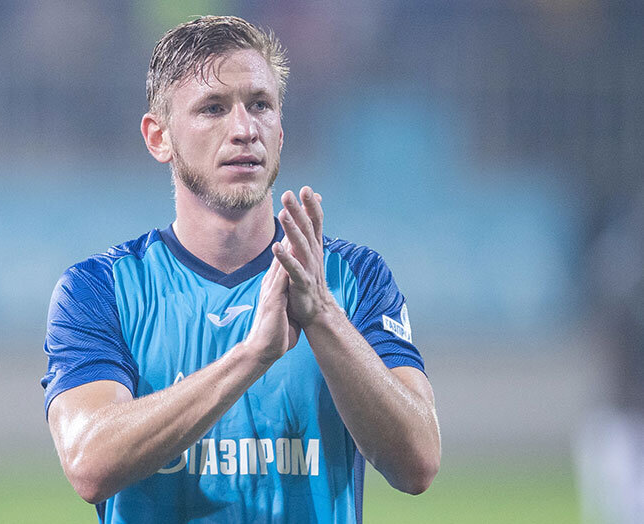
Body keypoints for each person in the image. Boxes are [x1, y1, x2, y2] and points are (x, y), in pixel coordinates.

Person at [41, 15, 440, 523]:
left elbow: (418, 463)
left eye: (260, 105)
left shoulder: (352, 278)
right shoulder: (100, 290)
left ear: (281, 130)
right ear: (159, 137)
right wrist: (252, 356)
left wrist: (322, 316)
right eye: (213, 108)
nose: (244, 129)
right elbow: (89, 463)